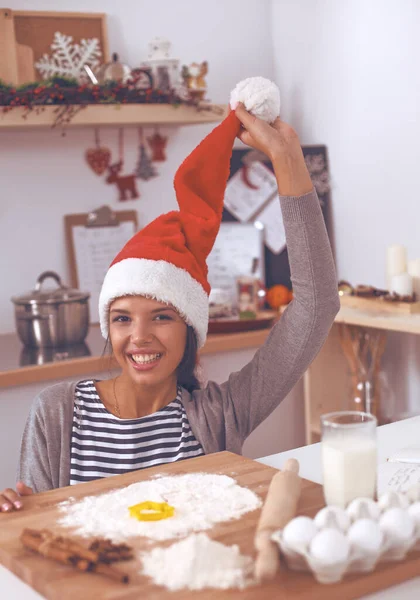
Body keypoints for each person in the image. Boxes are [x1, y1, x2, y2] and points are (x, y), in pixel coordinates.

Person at [0, 78, 339, 512]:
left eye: (161, 317)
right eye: (122, 318)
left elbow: (317, 306)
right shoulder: (58, 413)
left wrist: (288, 161)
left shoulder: (220, 415)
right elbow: (39, 534)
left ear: (189, 328)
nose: (139, 336)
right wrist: (16, 514)